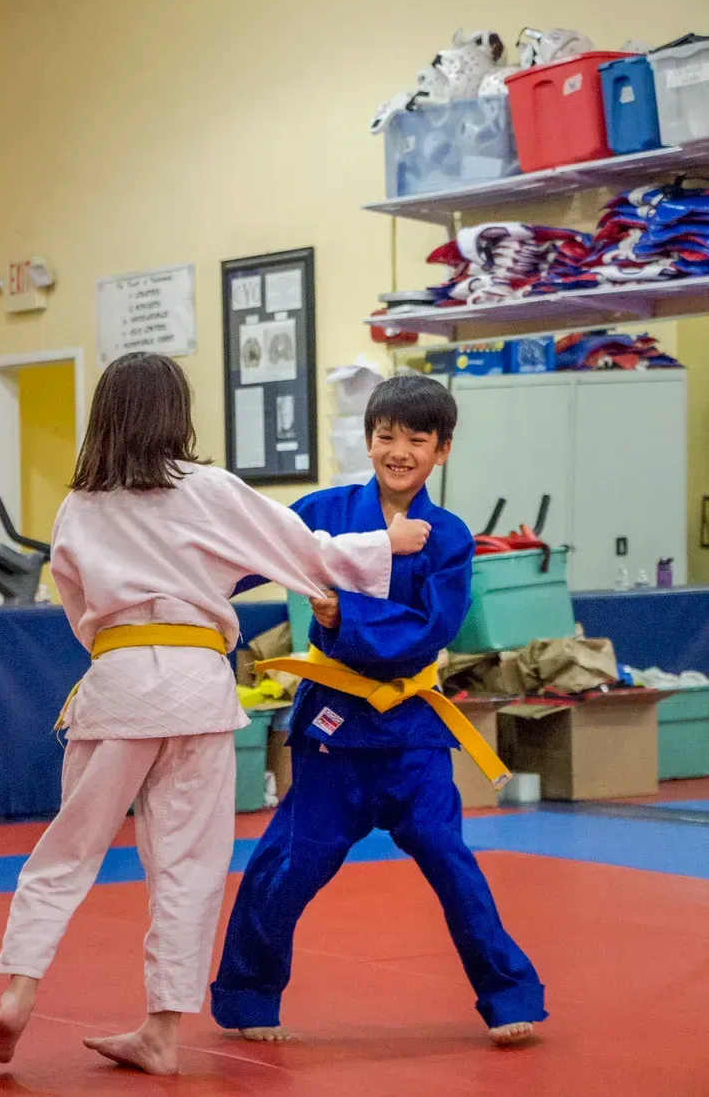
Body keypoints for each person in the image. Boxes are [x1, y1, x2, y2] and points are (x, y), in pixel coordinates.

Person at [0, 353, 430, 1077]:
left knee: (67, 850)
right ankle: (160, 1029)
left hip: (119, 679)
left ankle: (20, 986)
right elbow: (300, 550)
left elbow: (75, 606)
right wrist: (388, 543)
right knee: (189, 865)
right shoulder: (210, 489)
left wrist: (122, 646)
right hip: (197, 685)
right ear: (176, 413)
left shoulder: (79, 505)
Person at [211, 374, 547, 1047]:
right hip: (333, 728)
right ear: (368, 439)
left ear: (441, 450)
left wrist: (341, 613)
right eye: (386, 435)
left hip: (411, 735)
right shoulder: (324, 509)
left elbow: (434, 628)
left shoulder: (449, 537)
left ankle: (509, 991)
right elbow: (243, 560)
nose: (399, 450)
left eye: (416, 439)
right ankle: (248, 994)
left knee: (451, 858)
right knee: (291, 862)